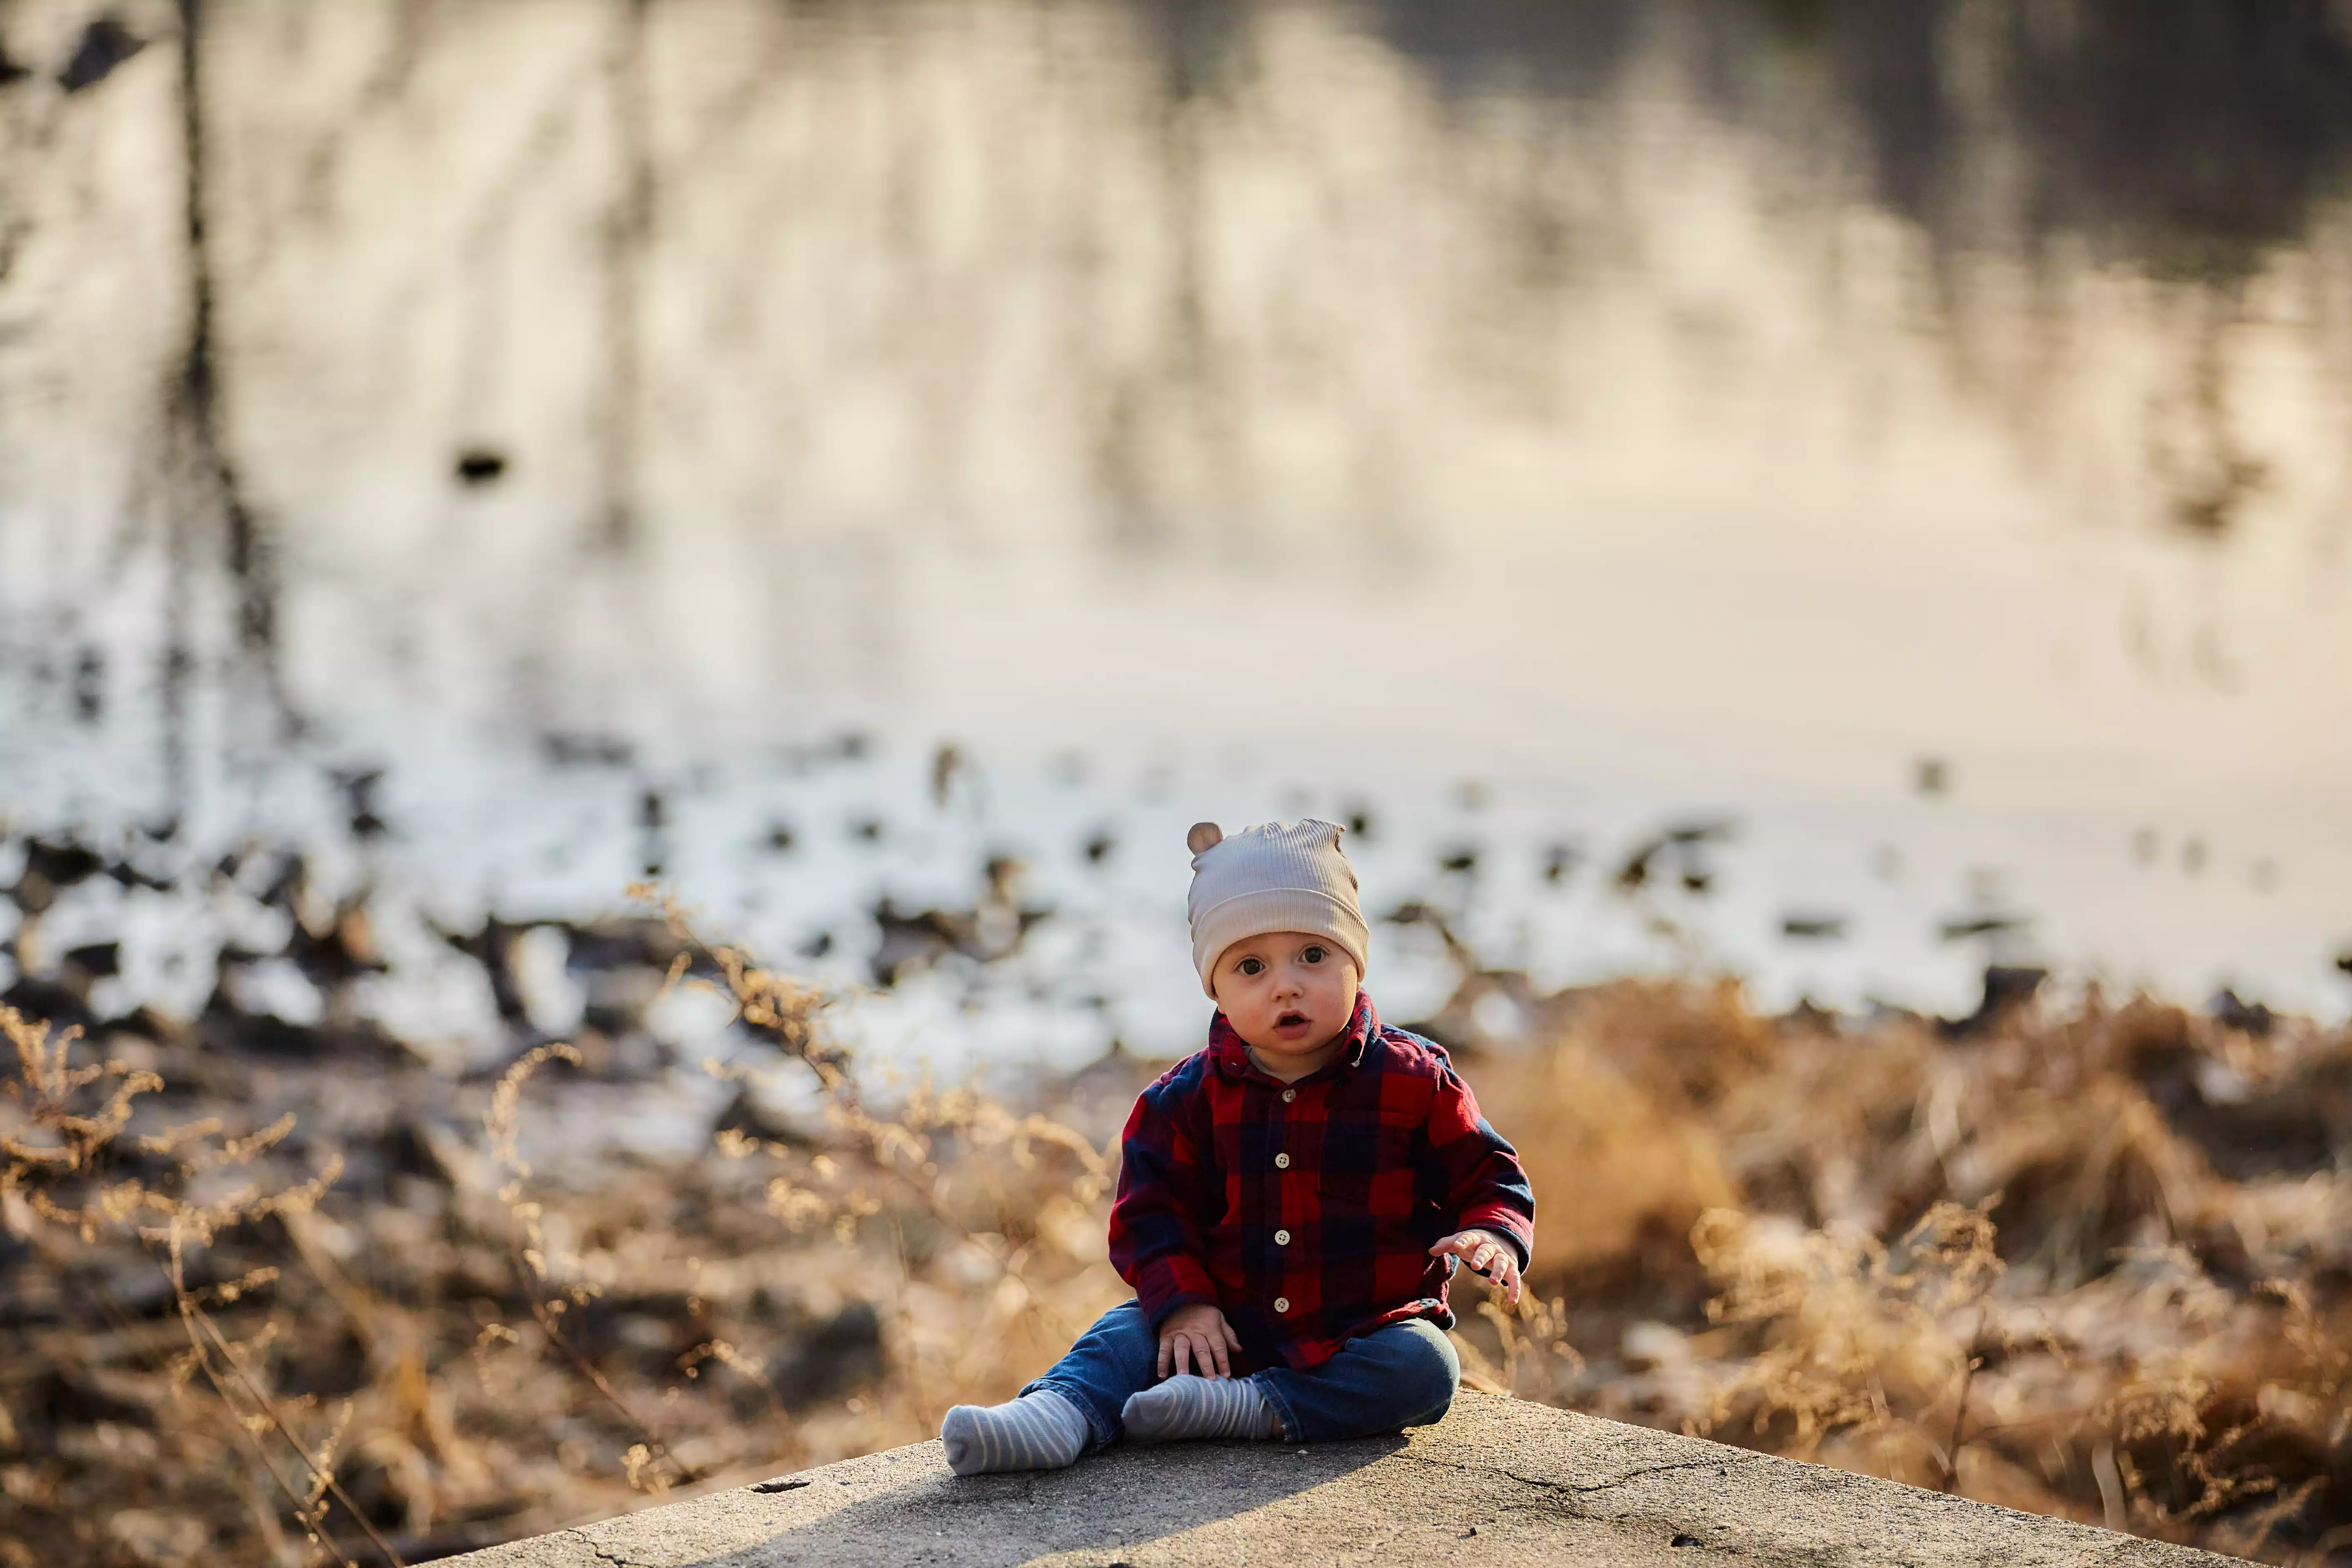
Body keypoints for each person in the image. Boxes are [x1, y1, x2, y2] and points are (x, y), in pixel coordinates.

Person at [940, 819, 1536, 1474]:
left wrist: (1492, 1232)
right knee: (1127, 1332)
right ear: (1216, 989)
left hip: (1361, 1331)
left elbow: (1488, 1173)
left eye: (1314, 955)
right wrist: (1186, 1306)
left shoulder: (1413, 1080)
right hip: (1220, 1327)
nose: (1286, 985)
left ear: (1356, 961)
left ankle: (1249, 1409)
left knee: (1424, 1367)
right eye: (1251, 966)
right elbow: (1151, 1217)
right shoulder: (1180, 1101)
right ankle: (1057, 1414)